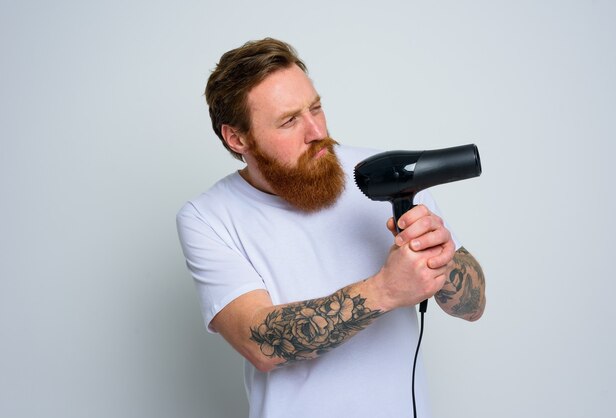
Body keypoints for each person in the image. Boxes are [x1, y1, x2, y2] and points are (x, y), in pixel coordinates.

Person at [176, 38, 486, 418]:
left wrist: (444, 263)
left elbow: (474, 307)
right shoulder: (208, 217)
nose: (315, 130)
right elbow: (259, 343)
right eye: (289, 120)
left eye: (316, 108)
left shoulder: (382, 176)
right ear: (237, 138)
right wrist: (385, 290)